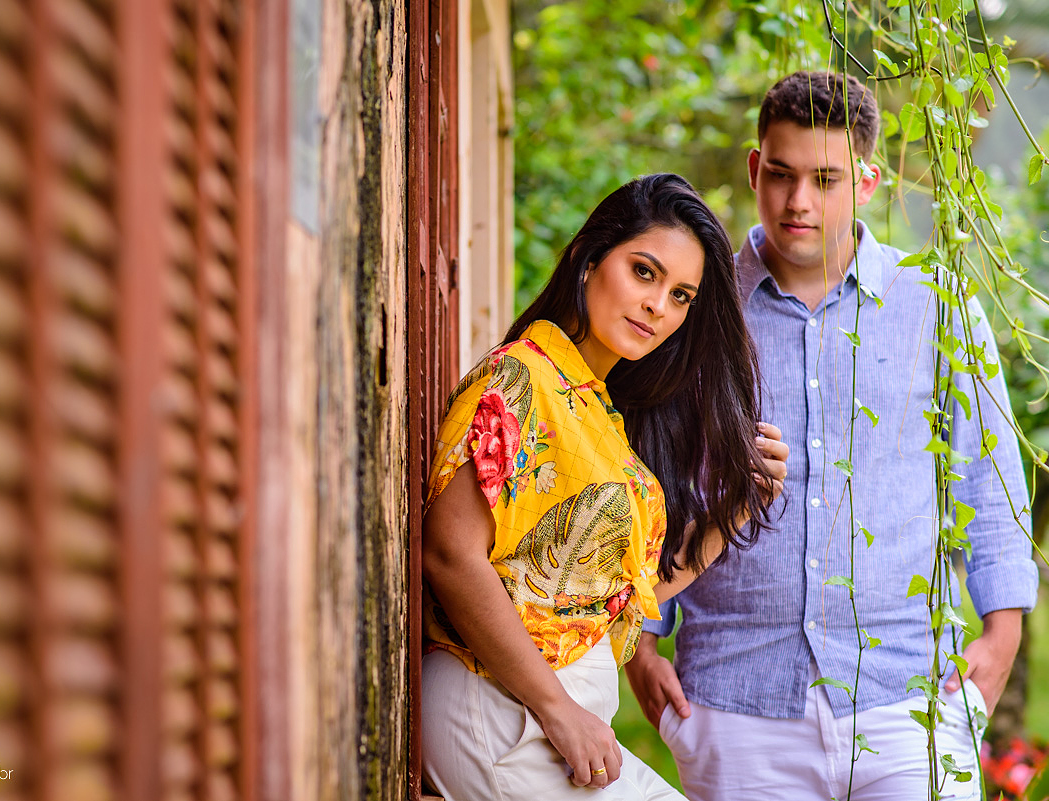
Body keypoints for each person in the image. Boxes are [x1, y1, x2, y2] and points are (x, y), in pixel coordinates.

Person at [626, 72, 1039, 801]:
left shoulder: (937, 306)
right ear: (755, 168)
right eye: (780, 175)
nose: (798, 202)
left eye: (826, 178)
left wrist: (1001, 634)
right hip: (735, 700)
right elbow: (650, 478)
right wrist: (641, 641)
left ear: (869, 181)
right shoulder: (694, 307)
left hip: (908, 700)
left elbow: (988, 477)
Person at [420, 173, 789, 801]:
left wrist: (734, 512)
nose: (658, 307)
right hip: (499, 708)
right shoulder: (522, 380)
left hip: (556, 719)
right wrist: (556, 708)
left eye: (681, 296)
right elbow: (449, 554)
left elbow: (626, 596)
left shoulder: (600, 414)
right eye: (644, 273)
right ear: (591, 260)